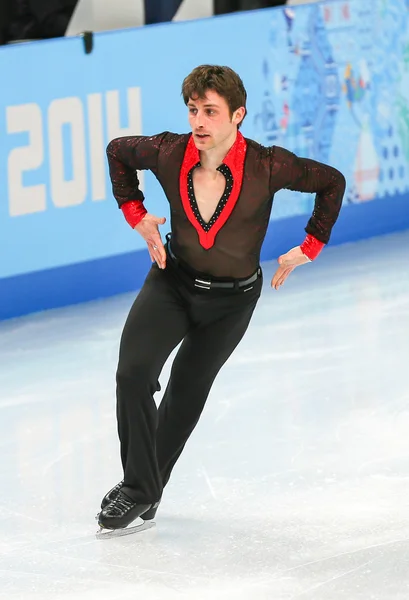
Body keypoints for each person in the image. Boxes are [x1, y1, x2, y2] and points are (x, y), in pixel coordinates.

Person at [97, 64, 346, 533]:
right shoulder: (169, 151)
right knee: (133, 374)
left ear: (238, 116)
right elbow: (117, 152)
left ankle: (145, 489)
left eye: (210, 111)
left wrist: (311, 244)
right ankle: (139, 490)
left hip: (231, 304)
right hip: (172, 283)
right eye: (193, 110)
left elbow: (331, 182)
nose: (198, 122)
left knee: (186, 392)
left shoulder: (267, 165)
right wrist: (137, 213)